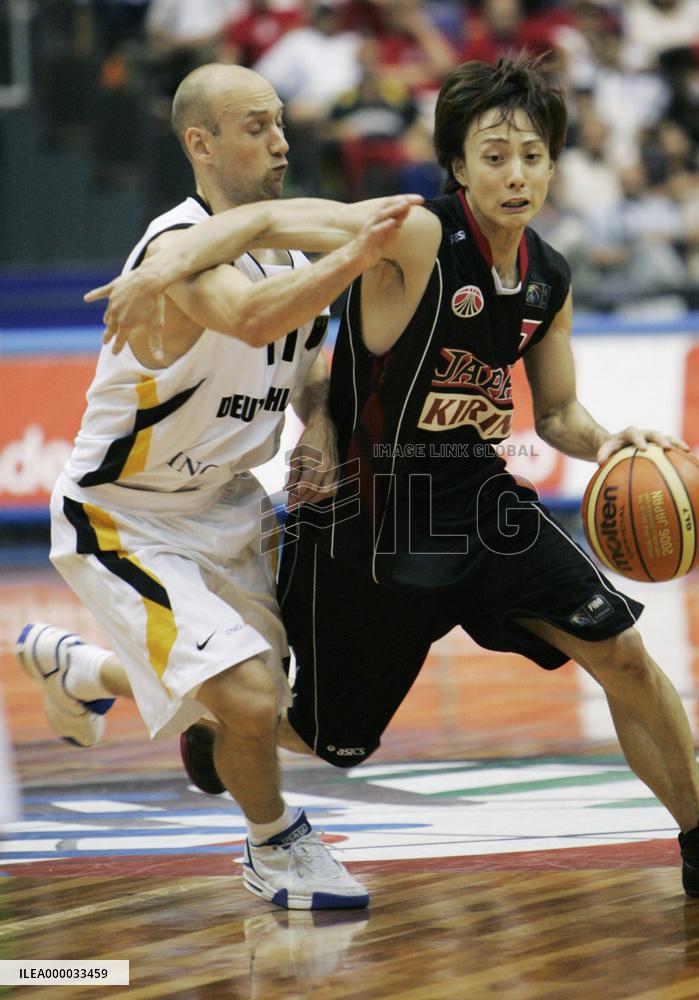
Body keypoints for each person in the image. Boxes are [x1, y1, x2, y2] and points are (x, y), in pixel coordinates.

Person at [29, 55, 699, 902]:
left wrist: (614, 440)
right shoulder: (419, 232)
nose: (517, 173)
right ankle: (197, 726)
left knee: (621, 649)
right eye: (495, 154)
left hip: (477, 500)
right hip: (364, 515)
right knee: (325, 739)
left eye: (533, 155)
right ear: (459, 166)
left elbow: (557, 414)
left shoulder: (549, 276)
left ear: (554, 165)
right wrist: (161, 267)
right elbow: (260, 223)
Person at [15, 62, 422, 911]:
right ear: (200, 143)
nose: (279, 142)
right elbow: (252, 318)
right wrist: (360, 250)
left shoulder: (278, 236)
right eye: (254, 127)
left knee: (306, 719)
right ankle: (277, 847)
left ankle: (81, 670)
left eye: (279, 122)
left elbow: (306, 356)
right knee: (247, 696)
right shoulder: (175, 250)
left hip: (232, 505)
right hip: (125, 514)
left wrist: (317, 422)